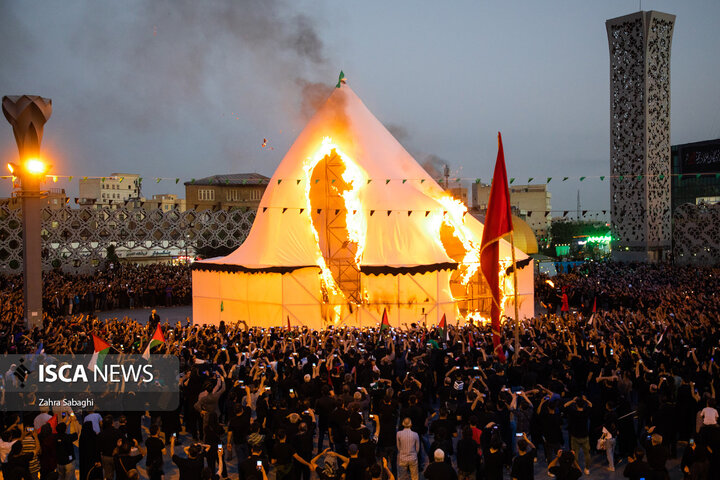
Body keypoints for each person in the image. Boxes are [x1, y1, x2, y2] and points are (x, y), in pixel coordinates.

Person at [564, 396, 592, 475]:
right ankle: (587, 468)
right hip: (585, 436)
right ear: (584, 405)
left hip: (575, 436)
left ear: (576, 405)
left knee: (575, 454)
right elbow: (591, 405)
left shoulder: (573, 412)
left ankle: (577, 468)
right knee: (587, 453)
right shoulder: (586, 412)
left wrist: (572, 400)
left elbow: (565, 405)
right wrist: (586, 399)